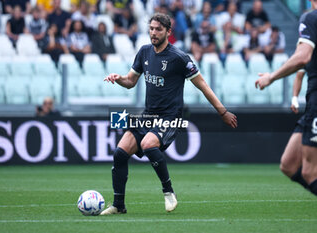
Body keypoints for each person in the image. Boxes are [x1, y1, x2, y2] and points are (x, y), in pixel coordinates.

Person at [101, 13, 237, 215]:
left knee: (148, 144)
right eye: (151, 28)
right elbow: (130, 82)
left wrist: (222, 111)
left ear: (168, 32)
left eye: (158, 29)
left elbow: (203, 86)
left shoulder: (179, 58)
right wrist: (118, 78)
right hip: (148, 116)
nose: (153, 33)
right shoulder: (144, 52)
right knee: (120, 153)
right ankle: (118, 205)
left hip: (170, 117)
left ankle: (168, 191)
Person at [255, 0, 317, 196]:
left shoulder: (311, 17)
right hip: (312, 103)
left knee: (309, 171)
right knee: (289, 164)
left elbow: (302, 57)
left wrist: (271, 77)